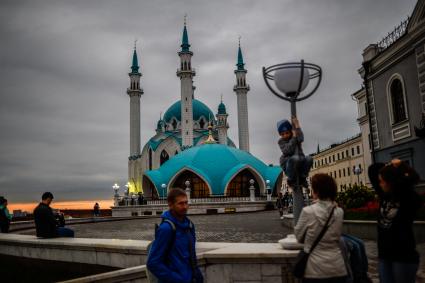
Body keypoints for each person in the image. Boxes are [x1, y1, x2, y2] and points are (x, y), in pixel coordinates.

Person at [368, 159, 421, 283]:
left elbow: (414, 178)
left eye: (382, 181)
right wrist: (389, 166)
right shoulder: (384, 195)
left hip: (403, 256)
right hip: (384, 255)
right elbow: (373, 169)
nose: (379, 184)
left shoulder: (408, 198)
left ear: (390, 182)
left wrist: (402, 165)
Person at [294, 173, 347, 282]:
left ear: (316, 191)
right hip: (337, 268)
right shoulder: (339, 211)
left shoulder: (308, 211)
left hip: (315, 270)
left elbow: (299, 237)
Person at [147, 188, 203, 283]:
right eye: (180, 203)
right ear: (170, 205)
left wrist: (198, 276)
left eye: (186, 203)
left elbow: (191, 255)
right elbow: (153, 263)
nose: (185, 206)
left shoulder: (189, 226)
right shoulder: (166, 229)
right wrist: (177, 280)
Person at [277, 116, 312, 188]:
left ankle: (302, 178)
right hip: (288, 164)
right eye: (282, 134)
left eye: (287, 133)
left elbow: (301, 138)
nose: (285, 135)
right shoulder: (281, 141)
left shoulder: (295, 136)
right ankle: (291, 180)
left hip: (300, 162)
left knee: (309, 158)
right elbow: (288, 151)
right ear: (280, 134)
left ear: (290, 132)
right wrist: (293, 138)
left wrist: (297, 125)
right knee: (295, 158)